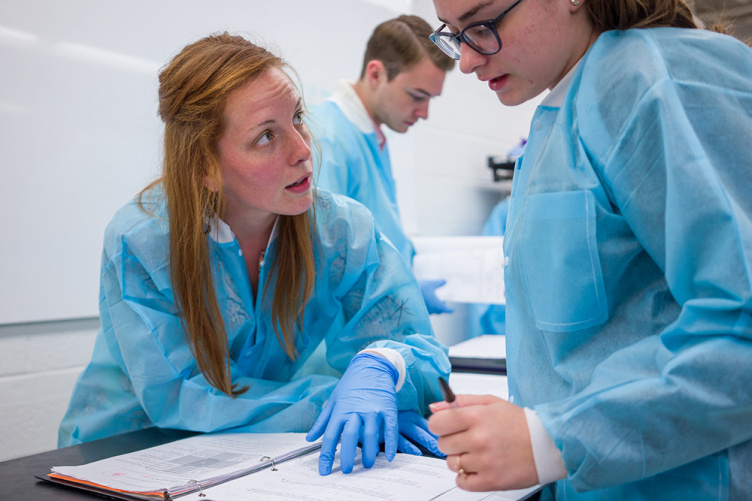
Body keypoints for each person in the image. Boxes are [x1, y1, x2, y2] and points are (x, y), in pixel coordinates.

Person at [58, 32, 451, 477]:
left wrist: (386, 366)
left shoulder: (341, 230)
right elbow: (180, 394)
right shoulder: (144, 241)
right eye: (267, 136)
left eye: (298, 118)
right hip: (126, 453)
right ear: (205, 167)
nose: (303, 150)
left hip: (260, 453)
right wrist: (333, 399)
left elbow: (417, 351)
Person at [425, 0, 752, 499]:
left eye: (483, 25)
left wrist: (554, 438)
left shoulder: (653, 76)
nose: (466, 60)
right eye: (453, 34)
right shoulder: (563, 109)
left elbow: (741, 324)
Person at [313, 15, 456, 315]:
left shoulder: (370, 136)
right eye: (417, 96)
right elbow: (326, 264)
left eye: (431, 98)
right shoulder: (330, 139)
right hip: (342, 342)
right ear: (376, 74)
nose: (424, 112)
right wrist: (402, 293)